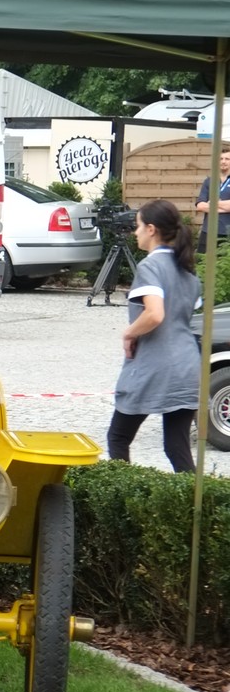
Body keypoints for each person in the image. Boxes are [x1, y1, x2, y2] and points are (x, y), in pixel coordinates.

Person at [109, 198, 202, 472]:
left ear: (151, 229)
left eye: (137, 226)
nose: (135, 233)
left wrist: (128, 332)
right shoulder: (187, 270)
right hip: (187, 365)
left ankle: (121, 506)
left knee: (118, 437)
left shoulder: (150, 267)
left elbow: (155, 314)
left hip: (154, 366)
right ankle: (194, 508)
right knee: (176, 447)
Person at [196, 148, 230, 238]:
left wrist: (213, 203)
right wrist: (225, 207)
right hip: (208, 232)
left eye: (227, 159)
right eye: (221, 159)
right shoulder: (209, 181)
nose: (223, 162)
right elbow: (200, 206)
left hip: (227, 234)